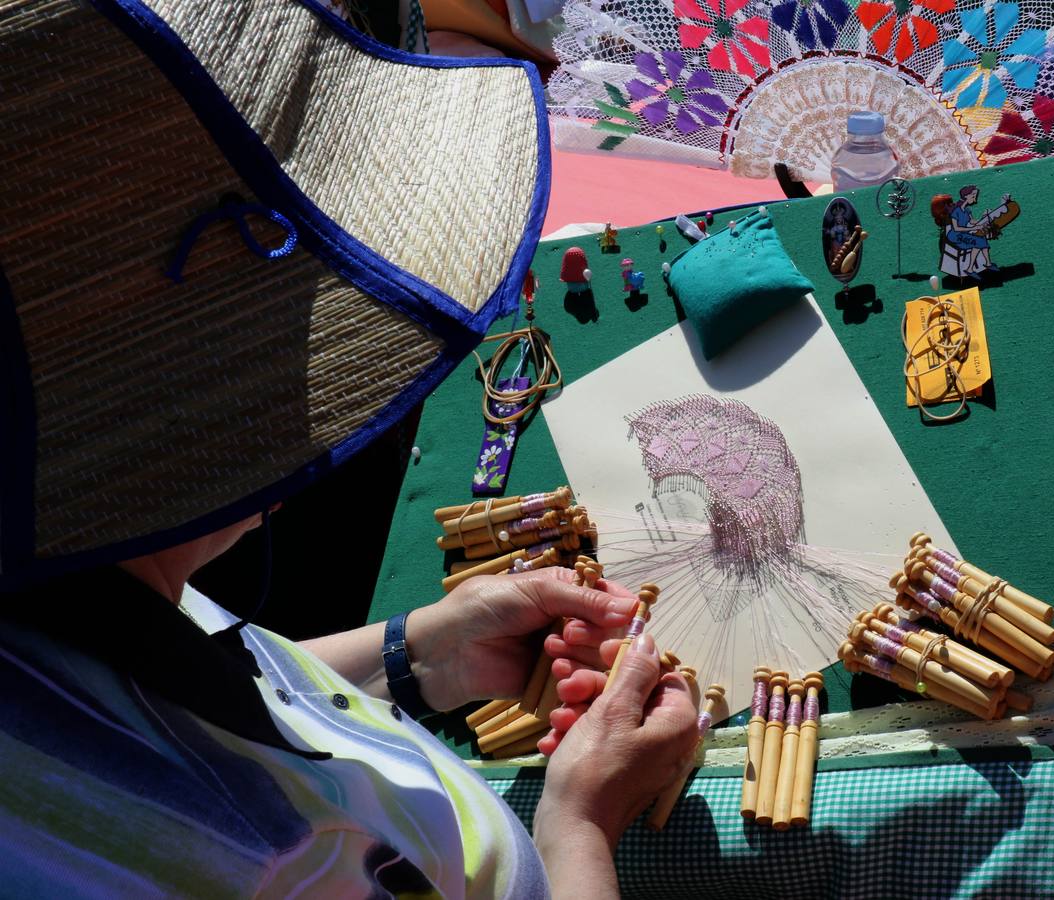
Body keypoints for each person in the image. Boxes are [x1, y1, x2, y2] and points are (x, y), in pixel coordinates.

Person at [0, 0, 695, 896]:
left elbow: (189, 687)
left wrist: (419, 654)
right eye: (294, 367)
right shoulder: (262, 861)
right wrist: (581, 829)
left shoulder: (61, 598)